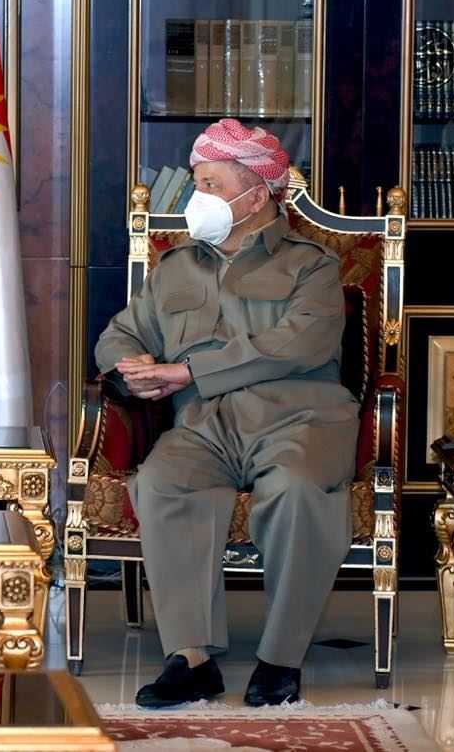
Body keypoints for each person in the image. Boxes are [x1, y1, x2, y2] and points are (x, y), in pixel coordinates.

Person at [95, 118, 358, 709]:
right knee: (162, 481)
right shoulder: (176, 267)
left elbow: (300, 343)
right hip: (203, 426)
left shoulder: (312, 266)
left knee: (297, 491)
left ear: (256, 195)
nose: (198, 198)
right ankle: (190, 659)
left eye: (211, 184)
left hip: (300, 419)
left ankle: (281, 658)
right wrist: (133, 367)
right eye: (197, 184)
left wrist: (190, 372)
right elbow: (118, 335)